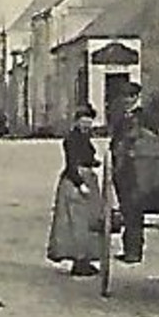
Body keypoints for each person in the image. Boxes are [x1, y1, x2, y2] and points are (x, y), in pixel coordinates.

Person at [46, 104, 106, 276]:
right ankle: (79, 262)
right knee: (76, 223)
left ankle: (85, 259)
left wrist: (94, 162)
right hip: (74, 182)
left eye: (89, 121)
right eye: (83, 121)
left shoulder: (84, 137)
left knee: (88, 222)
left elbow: (87, 156)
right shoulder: (71, 139)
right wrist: (80, 184)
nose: (87, 124)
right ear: (77, 121)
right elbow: (72, 164)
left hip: (86, 178)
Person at [108, 83, 146, 264]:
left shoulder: (144, 117)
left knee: (135, 209)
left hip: (140, 169)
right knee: (127, 209)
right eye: (125, 96)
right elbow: (114, 141)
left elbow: (152, 141)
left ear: (137, 97)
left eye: (131, 96)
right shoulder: (120, 117)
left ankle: (135, 250)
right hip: (123, 169)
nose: (127, 100)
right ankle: (129, 249)